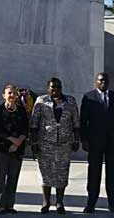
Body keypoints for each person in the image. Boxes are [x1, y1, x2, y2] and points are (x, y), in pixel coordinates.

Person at [30, 77, 80, 214]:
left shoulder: (70, 101)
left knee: (62, 173)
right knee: (45, 173)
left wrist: (76, 140)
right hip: (45, 143)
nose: (55, 90)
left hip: (64, 143)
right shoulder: (41, 101)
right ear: (48, 88)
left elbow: (76, 122)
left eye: (58, 87)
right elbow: (34, 123)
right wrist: (34, 142)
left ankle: (59, 202)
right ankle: (46, 201)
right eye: (52, 87)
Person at [80, 72, 114, 214]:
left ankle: (113, 204)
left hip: (113, 143)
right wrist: (84, 140)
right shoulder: (88, 97)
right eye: (100, 81)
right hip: (95, 143)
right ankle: (91, 204)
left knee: (113, 175)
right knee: (94, 174)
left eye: (105, 80)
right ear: (96, 82)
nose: (103, 83)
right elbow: (83, 121)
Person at [0, 84, 28, 214]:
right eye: (9, 93)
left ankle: (10, 205)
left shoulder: (21, 110)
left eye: (13, 93)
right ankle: (1, 204)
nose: (11, 95)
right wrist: (12, 140)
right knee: (0, 178)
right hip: (1, 149)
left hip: (17, 150)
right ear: (4, 95)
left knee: (13, 178)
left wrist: (18, 142)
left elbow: (25, 128)